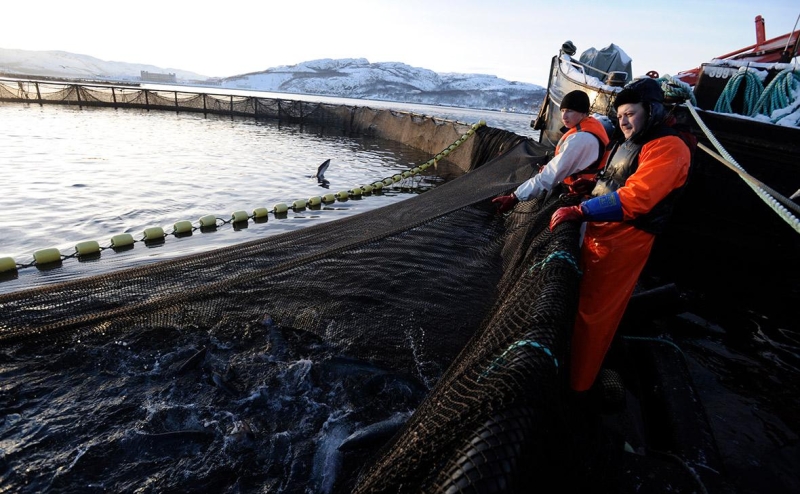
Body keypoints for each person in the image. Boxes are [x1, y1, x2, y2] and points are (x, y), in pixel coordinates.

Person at [549, 77, 692, 393]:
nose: (623, 120)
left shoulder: (669, 146)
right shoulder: (631, 141)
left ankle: (578, 386)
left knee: (594, 314)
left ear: (652, 111)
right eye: (620, 115)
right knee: (581, 300)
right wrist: (593, 189)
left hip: (625, 242)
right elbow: (616, 179)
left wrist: (582, 211)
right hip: (600, 234)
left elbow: (638, 197)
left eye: (631, 113)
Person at [492, 90, 610, 213]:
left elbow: (551, 174)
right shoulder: (590, 125)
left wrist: (515, 197)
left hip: (584, 201)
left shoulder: (582, 138)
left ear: (583, 113)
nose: (564, 116)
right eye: (563, 111)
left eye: (570, 111)